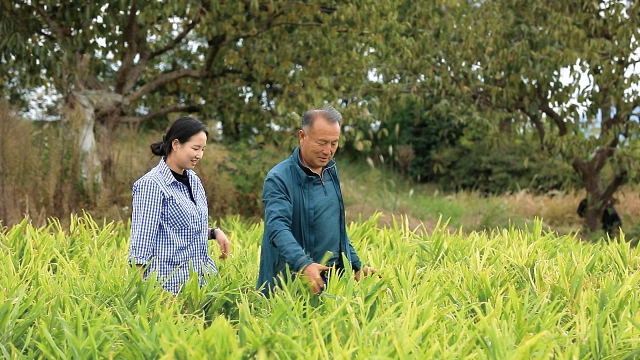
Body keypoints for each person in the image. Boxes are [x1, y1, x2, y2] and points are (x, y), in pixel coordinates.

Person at [257, 105, 377, 297]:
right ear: (302, 136)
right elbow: (277, 228)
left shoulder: (330, 171)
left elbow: (336, 229)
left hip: (329, 285)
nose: (328, 151)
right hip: (289, 285)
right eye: (321, 143)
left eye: (334, 143)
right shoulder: (279, 178)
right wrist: (303, 263)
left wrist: (355, 266)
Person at [129, 116, 230, 294]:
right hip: (170, 288)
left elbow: (180, 231)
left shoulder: (194, 180)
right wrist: (143, 295)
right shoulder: (151, 184)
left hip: (202, 285)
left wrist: (214, 233)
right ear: (176, 145)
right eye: (195, 148)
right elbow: (141, 245)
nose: (200, 155)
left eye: (203, 149)